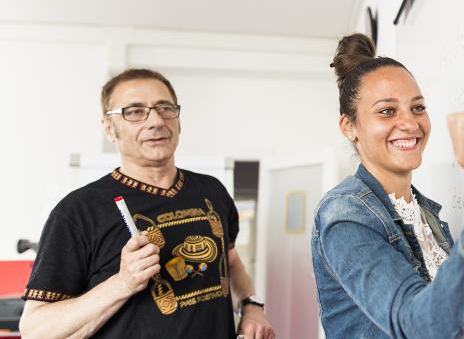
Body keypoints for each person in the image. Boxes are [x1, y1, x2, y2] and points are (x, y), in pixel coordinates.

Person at [19, 69, 276, 339]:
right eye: (134, 111)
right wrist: (122, 283)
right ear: (109, 127)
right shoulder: (77, 212)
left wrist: (251, 305)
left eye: (165, 108)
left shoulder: (211, 190)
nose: (155, 121)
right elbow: (36, 330)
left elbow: (231, 259)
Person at [311, 33, 464, 338]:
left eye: (417, 108)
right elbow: (418, 328)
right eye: (387, 111)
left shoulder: (425, 213)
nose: (411, 124)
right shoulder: (345, 213)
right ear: (349, 127)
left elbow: (454, 316)